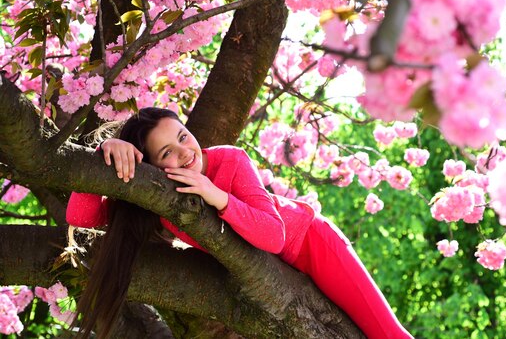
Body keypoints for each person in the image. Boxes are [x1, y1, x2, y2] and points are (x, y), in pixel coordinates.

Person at [66, 107, 413, 339]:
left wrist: (217, 197)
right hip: (268, 283)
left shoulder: (229, 160)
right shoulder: (158, 200)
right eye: (167, 152)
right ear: (153, 167)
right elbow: (80, 218)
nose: (186, 153)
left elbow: (274, 236)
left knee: (386, 334)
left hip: (312, 244)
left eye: (183, 136)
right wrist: (104, 156)